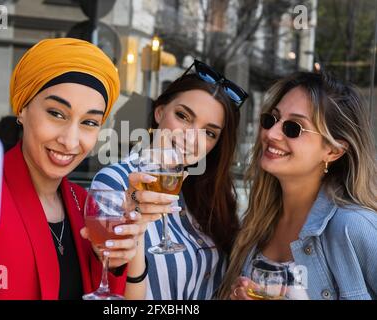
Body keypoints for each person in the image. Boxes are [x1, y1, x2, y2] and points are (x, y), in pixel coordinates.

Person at [0, 38, 144, 299]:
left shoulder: (86, 207)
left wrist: (124, 248)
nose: (70, 140)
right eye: (56, 113)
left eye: (89, 122)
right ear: (22, 109)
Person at [92, 59, 249, 299]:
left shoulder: (206, 195)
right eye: (183, 116)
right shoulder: (115, 181)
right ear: (159, 112)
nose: (191, 138)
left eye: (209, 132)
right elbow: (110, 282)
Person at [217, 71, 377, 300]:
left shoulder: (355, 227)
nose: (271, 133)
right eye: (271, 119)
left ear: (333, 151)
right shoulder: (255, 224)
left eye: (293, 128)